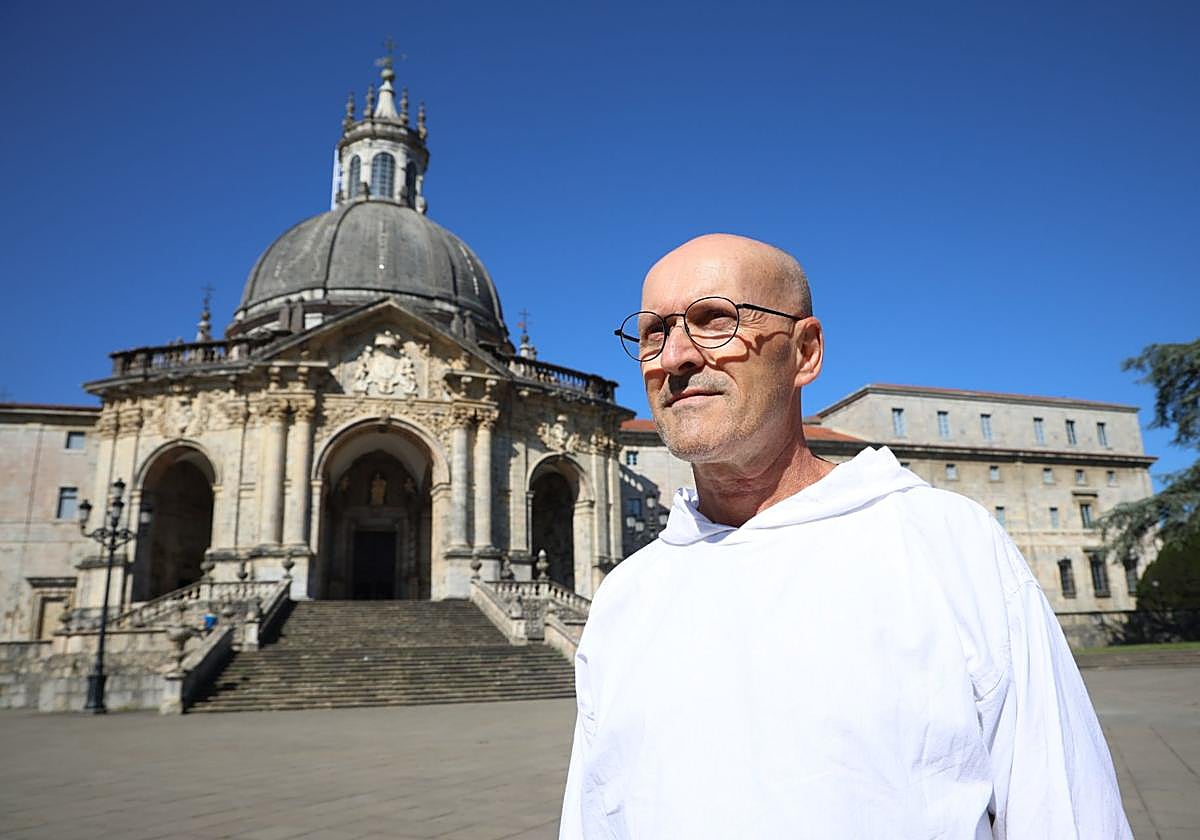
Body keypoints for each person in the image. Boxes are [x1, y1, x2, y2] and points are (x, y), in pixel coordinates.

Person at [558, 234, 1132, 839]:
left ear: (805, 351)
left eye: (713, 320)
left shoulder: (950, 546)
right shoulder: (624, 597)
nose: (674, 357)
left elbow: (1068, 816)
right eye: (654, 333)